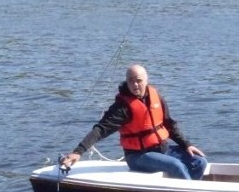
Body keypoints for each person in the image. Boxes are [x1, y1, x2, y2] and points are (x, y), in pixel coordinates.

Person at [59, 64, 207, 180]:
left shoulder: (156, 97)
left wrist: (186, 144)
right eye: (131, 80)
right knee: (175, 165)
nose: (135, 85)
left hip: (163, 150)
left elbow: (169, 124)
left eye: (139, 81)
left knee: (200, 161)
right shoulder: (122, 107)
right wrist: (78, 152)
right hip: (138, 156)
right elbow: (101, 129)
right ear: (126, 81)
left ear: (146, 80)